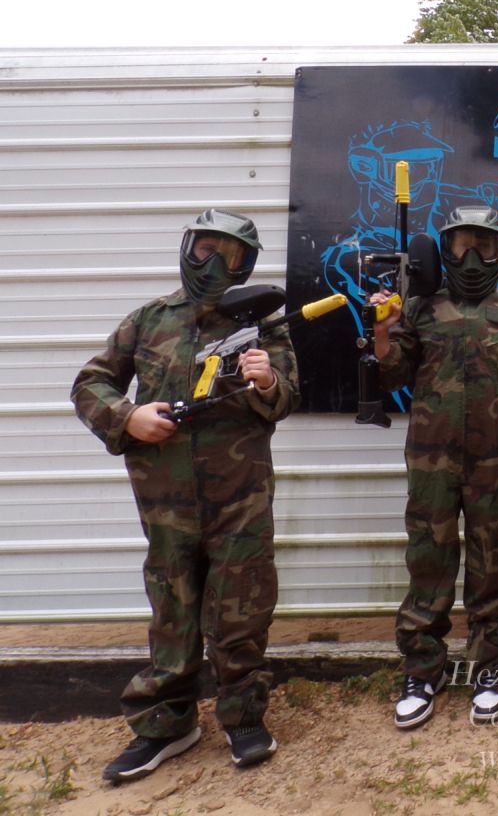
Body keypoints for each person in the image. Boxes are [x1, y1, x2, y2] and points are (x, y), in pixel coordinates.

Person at [72, 209, 298, 782]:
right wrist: (129, 417)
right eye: (205, 249)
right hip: (166, 499)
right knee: (172, 609)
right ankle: (166, 724)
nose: (214, 264)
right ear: (187, 248)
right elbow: (91, 383)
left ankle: (243, 717)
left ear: (247, 265)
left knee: (241, 606)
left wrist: (266, 379)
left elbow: (286, 399)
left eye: (231, 255)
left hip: (240, 496)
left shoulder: (263, 325)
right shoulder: (150, 319)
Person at [372, 206, 498, 729]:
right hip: (431, 460)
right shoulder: (420, 309)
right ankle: (422, 670)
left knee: (492, 561)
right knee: (428, 560)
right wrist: (384, 333)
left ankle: (490, 667)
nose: (472, 258)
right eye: (461, 246)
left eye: (484, 246)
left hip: (494, 462)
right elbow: (392, 376)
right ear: (446, 251)